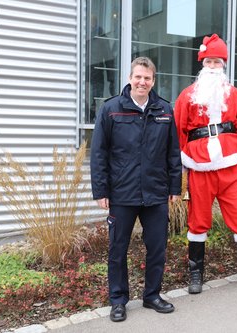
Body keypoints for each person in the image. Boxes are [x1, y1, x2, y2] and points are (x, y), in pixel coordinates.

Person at [91, 57, 182, 322]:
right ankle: (118, 300)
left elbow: (172, 152)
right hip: (122, 193)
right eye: (138, 77)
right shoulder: (111, 109)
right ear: (130, 78)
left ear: (153, 80)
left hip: (155, 193)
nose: (142, 82)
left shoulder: (164, 110)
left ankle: (152, 295)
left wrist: (174, 186)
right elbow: (99, 153)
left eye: (148, 78)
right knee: (117, 249)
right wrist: (101, 191)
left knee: (157, 248)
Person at [174, 34, 237, 296]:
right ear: (202, 64)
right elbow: (179, 129)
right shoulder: (188, 96)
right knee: (198, 221)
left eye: (217, 62)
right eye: (209, 61)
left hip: (230, 165)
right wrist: (183, 161)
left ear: (223, 64)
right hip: (199, 165)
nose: (213, 66)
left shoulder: (234, 95)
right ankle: (196, 274)